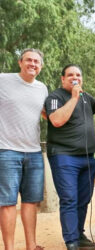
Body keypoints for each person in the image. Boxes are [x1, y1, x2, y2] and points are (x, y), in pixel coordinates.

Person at [44, 64, 95, 250]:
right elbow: (57, 120)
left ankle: (79, 235)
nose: (74, 77)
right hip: (64, 156)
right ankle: (71, 241)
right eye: (70, 75)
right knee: (69, 198)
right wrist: (74, 97)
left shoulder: (86, 97)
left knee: (84, 198)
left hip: (87, 157)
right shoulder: (55, 97)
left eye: (78, 74)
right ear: (63, 79)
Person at [0, 48, 48, 250]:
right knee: (8, 202)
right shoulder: (3, 80)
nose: (32, 64)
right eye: (28, 60)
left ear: (41, 67)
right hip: (7, 150)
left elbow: (48, 115)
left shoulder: (42, 88)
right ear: (20, 62)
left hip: (34, 152)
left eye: (36, 62)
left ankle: (31, 245)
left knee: (31, 201)